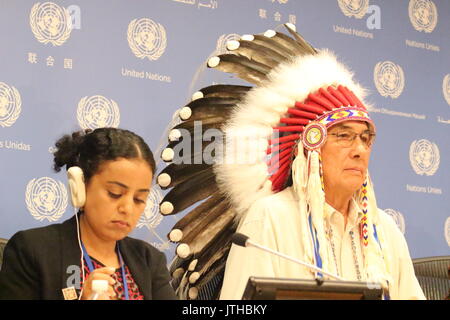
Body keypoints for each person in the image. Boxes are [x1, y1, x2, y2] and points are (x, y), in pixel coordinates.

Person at [0, 127, 177, 300]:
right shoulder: (32, 250)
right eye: (115, 193)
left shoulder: (150, 260)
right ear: (80, 188)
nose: (127, 209)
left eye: (139, 199)